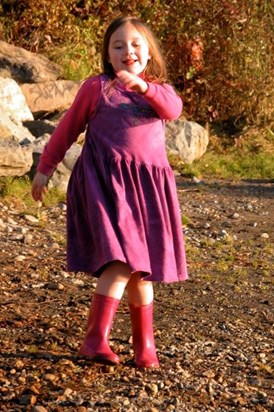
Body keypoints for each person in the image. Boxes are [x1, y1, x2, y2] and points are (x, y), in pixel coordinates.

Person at [31, 15, 188, 369]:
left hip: (146, 192)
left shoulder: (158, 91)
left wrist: (143, 87)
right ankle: (95, 339)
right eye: (117, 46)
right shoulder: (97, 87)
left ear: (149, 53)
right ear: (107, 54)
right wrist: (45, 168)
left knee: (141, 272)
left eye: (135, 45)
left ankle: (144, 344)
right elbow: (67, 129)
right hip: (105, 186)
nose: (127, 51)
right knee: (119, 263)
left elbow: (173, 110)